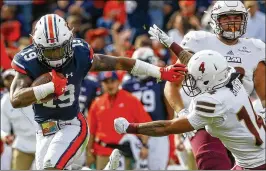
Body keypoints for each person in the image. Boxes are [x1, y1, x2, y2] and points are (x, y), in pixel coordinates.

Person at [9, 14, 182, 170]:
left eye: (60, 49)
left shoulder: (80, 53)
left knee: (51, 167)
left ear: (69, 41)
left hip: (72, 125)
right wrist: (49, 87)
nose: (56, 56)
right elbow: (15, 99)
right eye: (50, 51)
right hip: (44, 130)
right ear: (37, 47)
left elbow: (120, 63)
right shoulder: (28, 61)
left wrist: (160, 72)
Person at [147, 0, 265, 169]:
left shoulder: (255, 48)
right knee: (213, 164)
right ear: (215, 20)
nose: (232, 22)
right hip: (203, 117)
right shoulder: (199, 42)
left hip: (237, 121)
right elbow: (172, 85)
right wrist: (181, 112)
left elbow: (264, 96)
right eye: (226, 17)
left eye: (236, 17)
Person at [114, 50, 266, 170]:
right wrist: (172, 45)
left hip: (255, 164)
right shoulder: (230, 76)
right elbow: (199, 62)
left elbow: (168, 127)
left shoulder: (212, 102)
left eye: (194, 77)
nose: (190, 81)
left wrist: (131, 127)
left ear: (208, 79)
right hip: (254, 155)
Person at [87, 71, 152, 170]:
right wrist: (89, 152)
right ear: (101, 84)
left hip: (124, 152)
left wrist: (144, 146)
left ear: (118, 82)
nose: (110, 85)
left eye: (112, 81)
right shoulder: (96, 104)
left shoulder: (131, 100)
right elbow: (91, 131)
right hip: (102, 153)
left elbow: (145, 124)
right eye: (106, 82)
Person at [122, 47, 172, 170]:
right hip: (136, 133)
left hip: (158, 131)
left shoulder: (160, 81)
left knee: (157, 167)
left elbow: (170, 109)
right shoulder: (127, 84)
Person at [1, 69, 36, 170]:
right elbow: (3, 128)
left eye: (13, 77)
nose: (11, 81)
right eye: (7, 79)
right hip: (21, 145)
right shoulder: (4, 102)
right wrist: (5, 136)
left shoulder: (34, 92)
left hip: (43, 143)